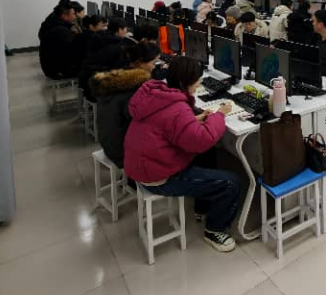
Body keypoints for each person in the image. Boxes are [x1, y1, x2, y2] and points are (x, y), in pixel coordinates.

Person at [124, 57, 241, 252]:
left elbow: (170, 126)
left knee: (207, 155)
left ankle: (203, 207)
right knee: (232, 182)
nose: (198, 86)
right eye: (196, 82)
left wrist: (195, 119)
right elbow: (202, 140)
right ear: (184, 82)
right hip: (157, 177)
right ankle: (215, 230)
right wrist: (220, 114)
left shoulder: (159, 96)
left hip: (141, 165)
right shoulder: (177, 108)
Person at [92, 41, 161, 169]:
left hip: (108, 141)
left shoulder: (120, 78)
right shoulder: (135, 89)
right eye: (153, 63)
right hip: (121, 151)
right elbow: (145, 119)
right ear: (140, 63)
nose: (154, 67)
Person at [79, 17, 135, 101]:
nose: (126, 31)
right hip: (99, 90)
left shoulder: (98, 38)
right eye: (125, 29)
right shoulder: (117, 48)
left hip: (87, 83)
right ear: (120, 30)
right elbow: (120, 71)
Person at [38, 1, 80, 78]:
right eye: (73, 14)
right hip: (57, 71)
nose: (75, 16)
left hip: (50, 67)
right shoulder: (60, 31)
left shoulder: (55, 24)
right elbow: (75, 50)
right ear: (64, 16)